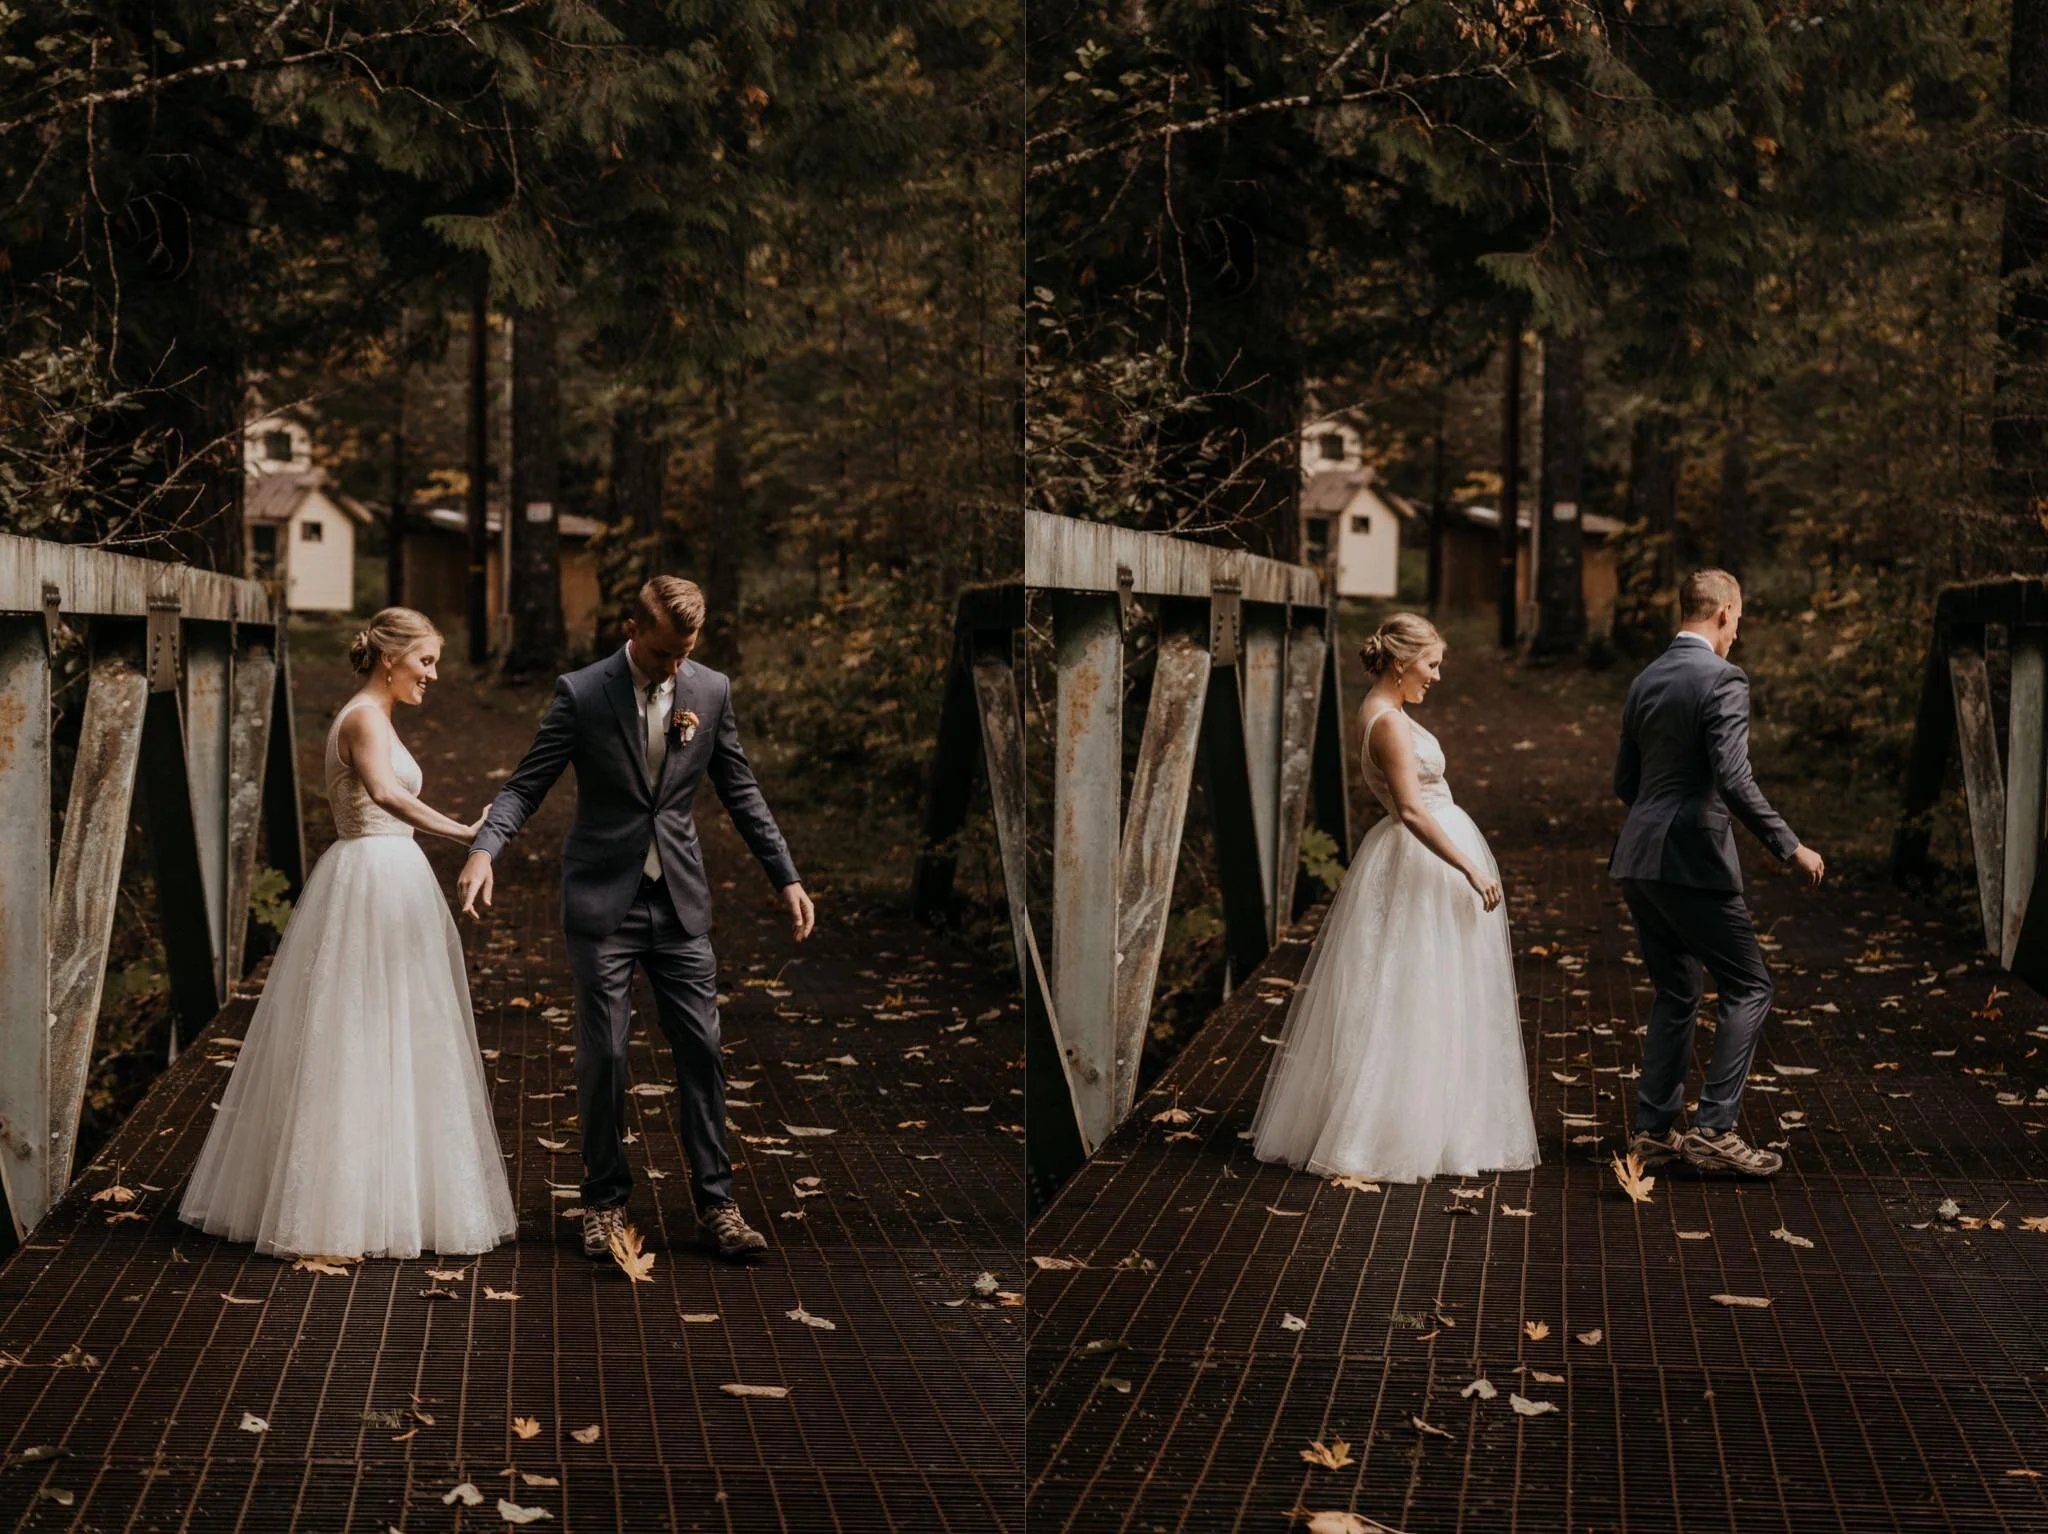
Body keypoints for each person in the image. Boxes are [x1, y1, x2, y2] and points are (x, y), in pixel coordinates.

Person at [458, 576, 815, 1262]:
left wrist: (787, 875)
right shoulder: (582, 693)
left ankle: (717, 1204)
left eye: (685, 654)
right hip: (602, 903)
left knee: (703, 1054)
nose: (673, 668)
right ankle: (603, 1202)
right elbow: (528, 783)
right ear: (631, 630)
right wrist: (484, 849)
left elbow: (740, 788)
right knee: (608, 1055)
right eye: (661, 655)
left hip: (679, 902)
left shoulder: (711, 691)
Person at [179, 608, 516, 1259]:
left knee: (400, 1031)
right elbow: (386, 796)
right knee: (359, 1032)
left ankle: (396, 1193)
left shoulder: (376, 714)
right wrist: (463, 832)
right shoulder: (363, 717)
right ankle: (342, 1206)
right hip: (370, 875)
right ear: (389, 659)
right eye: (425, 661)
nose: (433, 675)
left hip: (391, 878)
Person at [1252, 613, 1538, 1183]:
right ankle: (1394, 1131)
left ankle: (1442, 1119)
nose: (1435, 676)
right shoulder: (1387, 723)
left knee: (1425, 989)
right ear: (1402, 662)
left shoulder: (1390, 713)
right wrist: (1467, 869)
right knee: (1411, 990)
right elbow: (1410, 810)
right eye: (1430, 665)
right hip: (1424, 861)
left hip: (1421, 857)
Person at [1611, 567, 1826, 1179]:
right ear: (1726, 611)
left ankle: (1653, 1133)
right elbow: (1733, 777)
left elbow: (1624, 783)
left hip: (1638, 859)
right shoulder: (1724, 679)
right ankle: (1713, 1129)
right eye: (1740, 620)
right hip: (1691, 861)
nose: (1738, 633)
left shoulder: (1645, 679)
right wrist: (1791, 846)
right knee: (1750, 985)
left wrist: (1659, 817)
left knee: (1678, 991)